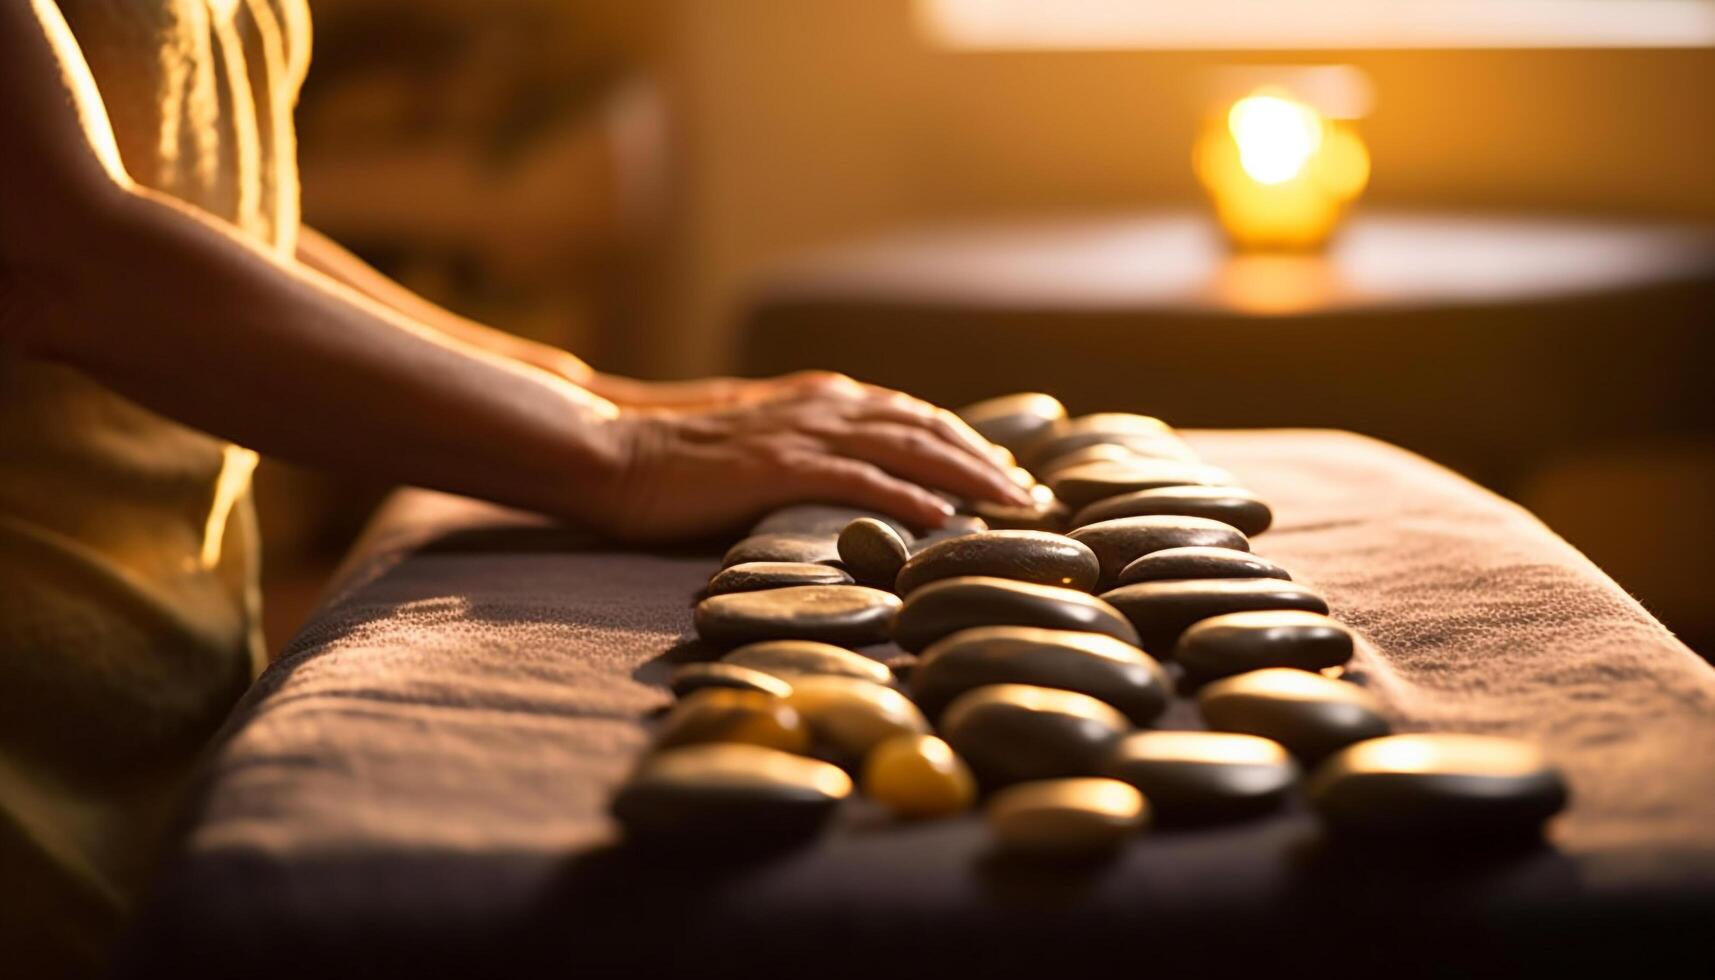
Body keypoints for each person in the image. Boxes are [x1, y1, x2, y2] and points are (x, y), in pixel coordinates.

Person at [0, 2, 1026, 974]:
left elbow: (205, 212)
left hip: (154, 682)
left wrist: (605, 399)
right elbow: (60, 255)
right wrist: (621, 454)